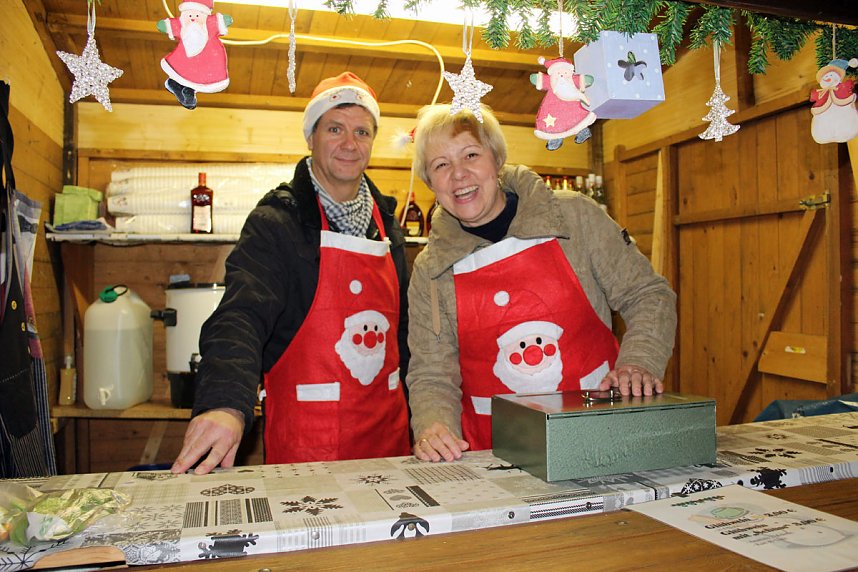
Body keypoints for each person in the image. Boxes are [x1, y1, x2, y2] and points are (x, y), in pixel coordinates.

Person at [406, 104, 677, 463]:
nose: (459, 174)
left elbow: (649, 296)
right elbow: (431, 372)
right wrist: (433, 425)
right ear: (430, 183)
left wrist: (639, 362)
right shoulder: (430, 270)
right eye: (441, 165)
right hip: (496, 453)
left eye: (471, 154)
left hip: (602, 433)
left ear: (496, 160)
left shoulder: (574, 218)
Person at [172, 72, 412, 474]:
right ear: (310, 137)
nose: (350, 144)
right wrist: (226, 403)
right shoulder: (277, 222)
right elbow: (240, 315)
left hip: (389, 442)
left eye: (362, 132)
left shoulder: (388, 225)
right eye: (335, 129)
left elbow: (405, 334)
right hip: (309, 446)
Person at [157, 0, 232, 110]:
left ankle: (181, 88)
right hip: (185, 60)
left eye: (197, 15)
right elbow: (169, 25)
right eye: (190, 15)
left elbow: (221, 20)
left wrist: (224, 20)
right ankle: (183, 89)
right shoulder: (182, 26)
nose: (193, 18)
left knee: (201, 76)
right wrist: (164, 25)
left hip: (208, 61)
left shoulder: (209, 24)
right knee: (184, 72)